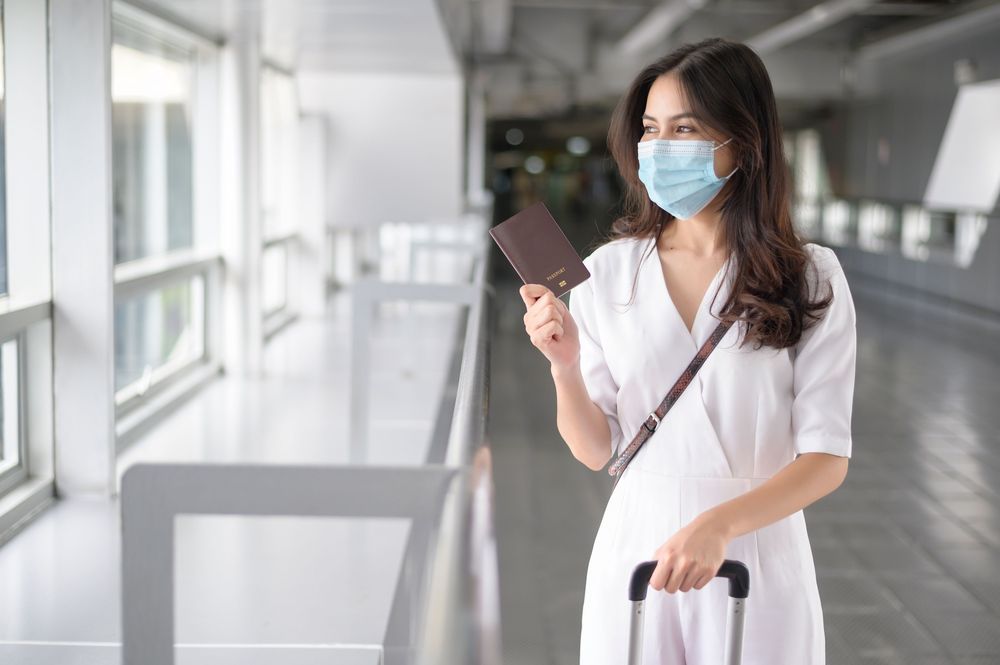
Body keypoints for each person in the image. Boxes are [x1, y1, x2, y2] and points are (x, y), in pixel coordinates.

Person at [518, 37, 856, 664]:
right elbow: (596, 450)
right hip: (638, 543)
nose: (660, 148)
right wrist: (563, 368)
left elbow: (826, 457)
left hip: (757, 545)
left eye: (685, 129)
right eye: (651, 129)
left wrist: (721, 524)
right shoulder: (610, 273)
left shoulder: (810, 277)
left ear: (744, 141)